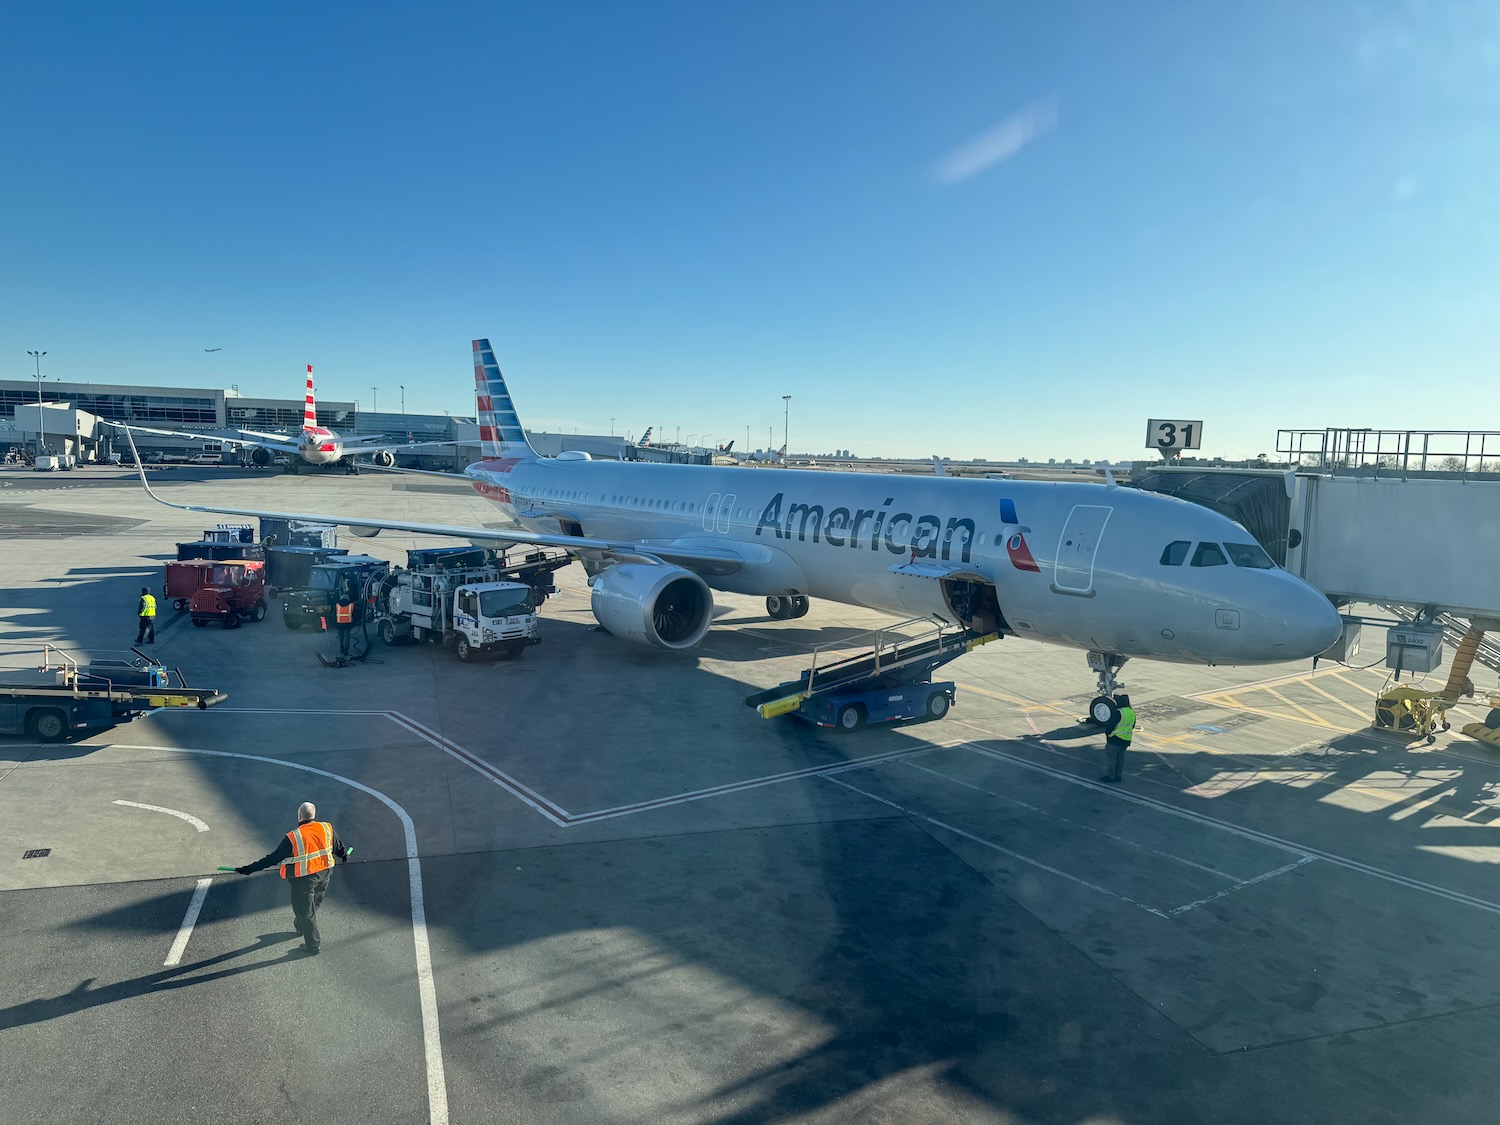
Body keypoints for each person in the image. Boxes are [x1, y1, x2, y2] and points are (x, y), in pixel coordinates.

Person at [234, 801, 350, 955]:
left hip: (303, 880)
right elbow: (338, 846)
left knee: (305, 911)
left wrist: (249, 869)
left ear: (299, 816)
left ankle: (313, 946)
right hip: (324, 874)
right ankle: (302, 926)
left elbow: (272, 858)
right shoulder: (326, 828)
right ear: (314, 815)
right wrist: (344, 855)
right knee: (313, 905)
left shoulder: (293, 837)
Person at [1100, 693, 1136, 783]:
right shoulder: (1132, 712)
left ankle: (1111, 776)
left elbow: (1111, 725)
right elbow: (1133, 725)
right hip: (1126, 740)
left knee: (1111, 759)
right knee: (1120, 759)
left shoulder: (1118, 712)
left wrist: (1108, 734)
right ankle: (1118, 776)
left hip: (1115, 739)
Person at [334, 589, 356, 656]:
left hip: (339, 624)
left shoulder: (337, 605)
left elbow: (334, 615)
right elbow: (354, 615)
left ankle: (341, 648)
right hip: (348, 623)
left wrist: (334, 624)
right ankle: (346, 650)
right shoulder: (351, 605)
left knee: (341, 636)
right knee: (347, 637)